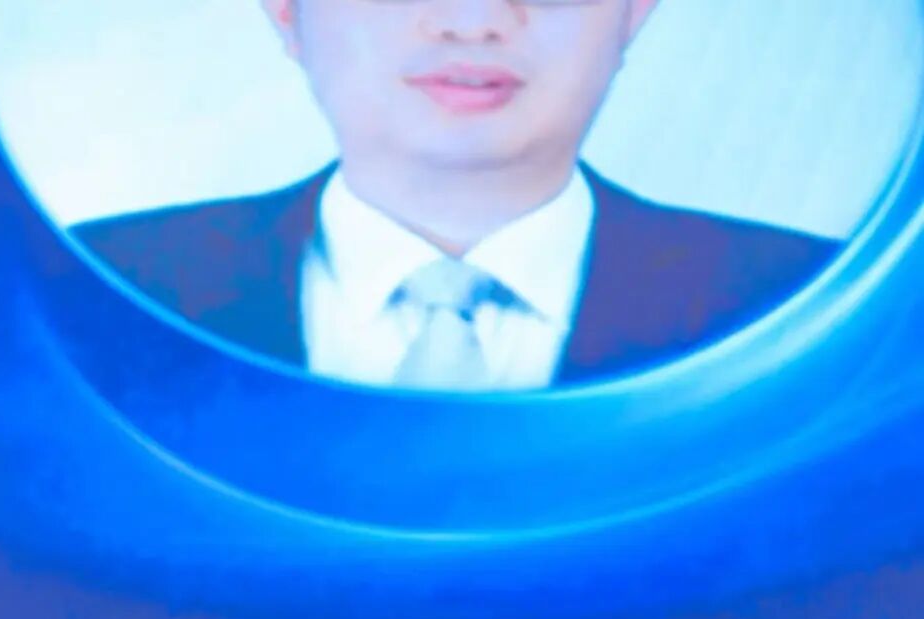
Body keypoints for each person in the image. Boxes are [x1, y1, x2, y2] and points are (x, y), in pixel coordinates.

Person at [75, 0, 837, 391]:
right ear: (286, 11)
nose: (474, 22)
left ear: (633, 12)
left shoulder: (809, 308)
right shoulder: (90, 293)